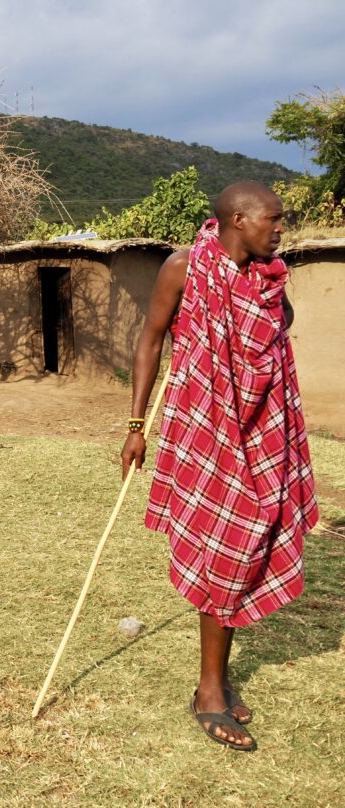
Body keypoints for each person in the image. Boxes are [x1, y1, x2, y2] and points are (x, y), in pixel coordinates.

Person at [120, 181, 319, 752]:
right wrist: (137, 428)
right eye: (273, 220)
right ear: (238, 218)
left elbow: (271, 346)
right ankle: (210, 692)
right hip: (206, 432)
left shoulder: (269, 279)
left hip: (262, 432)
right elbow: (151, 341)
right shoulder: (183, 270)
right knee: (226, 551)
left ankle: (218, 681)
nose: (281, 229)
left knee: (249, 548)